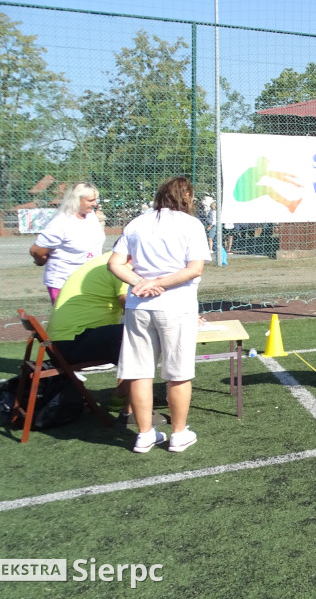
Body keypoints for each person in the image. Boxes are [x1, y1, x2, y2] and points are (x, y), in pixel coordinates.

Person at [108, 177, 211, 453]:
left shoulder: (137, 223)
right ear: (186, 195)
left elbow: (114, 264)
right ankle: (178, 433)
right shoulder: (192, 225)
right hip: (176, 307)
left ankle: (144, 434)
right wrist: (157, 284)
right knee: (178, 373)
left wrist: (138, 282)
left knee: (139, 372)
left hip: (138, 307)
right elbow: (194, 268)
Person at [46, 250, 165, 425]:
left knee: (129, 336)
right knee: (141, 336)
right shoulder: (122, 268)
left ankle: (124, 397)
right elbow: (131, 304)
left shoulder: (104, 261)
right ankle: (131, 411)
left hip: (62, 342)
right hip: (72, 341)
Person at [29, 182, 105, 304]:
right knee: (70, 320)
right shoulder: (61, 223)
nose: (94, 203)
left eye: (95, 200)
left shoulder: (90, 216)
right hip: (64, 282)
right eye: (90, 200)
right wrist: (40, 260)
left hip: (87, 281)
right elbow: (36, 250)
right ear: (76, 200)